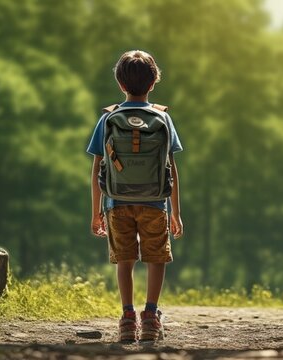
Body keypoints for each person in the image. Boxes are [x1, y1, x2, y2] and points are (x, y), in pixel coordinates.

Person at [86, 50, 184, 343]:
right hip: (155, 202)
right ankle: (151, 316)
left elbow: (97, 168)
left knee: (125, 260)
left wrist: (96, 212)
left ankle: (128, 318)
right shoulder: (163, 118)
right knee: (156, 258)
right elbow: (171, 167)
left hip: (116, 203)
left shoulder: (108, 118)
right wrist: (176, 212)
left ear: (120, 84)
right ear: (153, 83)